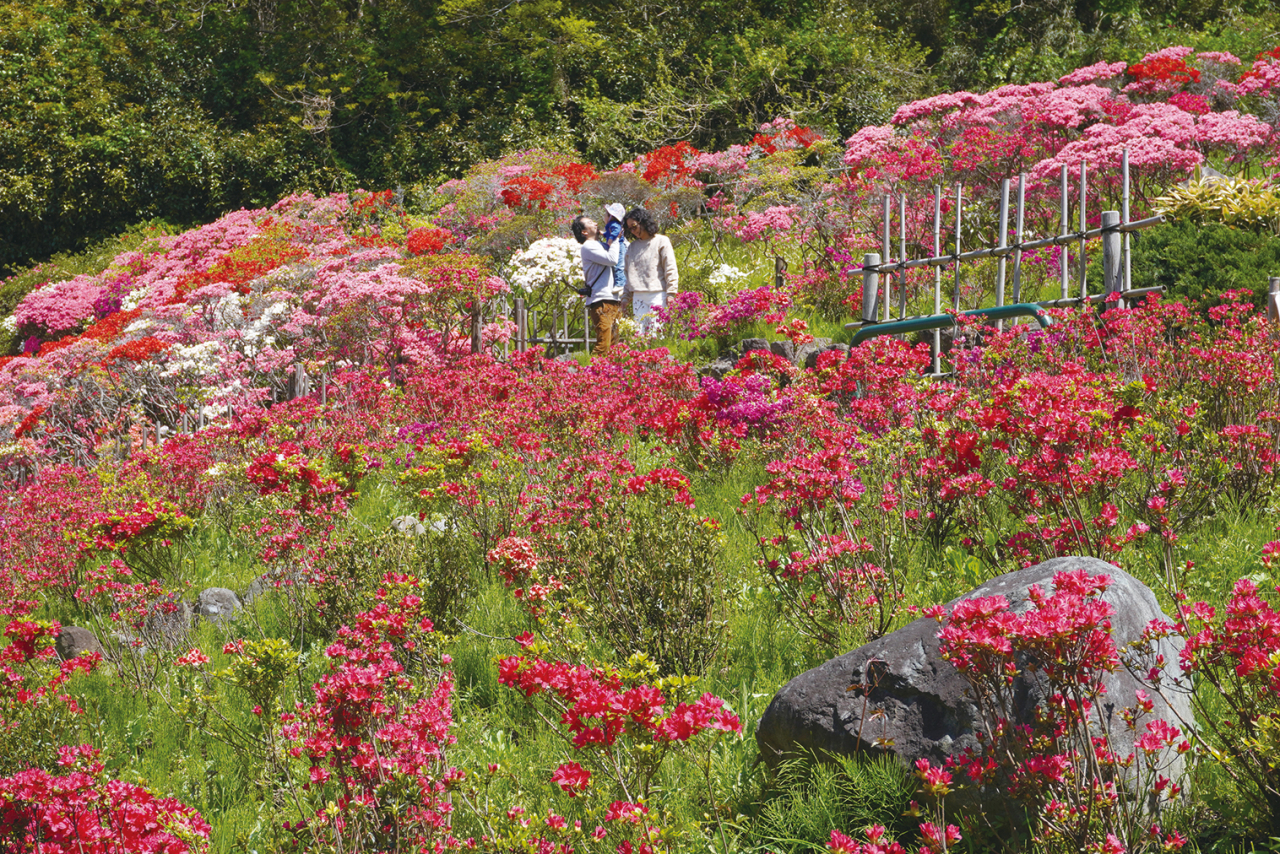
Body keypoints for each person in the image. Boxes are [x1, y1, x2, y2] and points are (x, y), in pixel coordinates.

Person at [570, 214, 622, 356]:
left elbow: (621, 252)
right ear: (584, 232)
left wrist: (611, 236)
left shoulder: (600, 244)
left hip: (613, 298)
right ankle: (590, 375)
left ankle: (608, 375)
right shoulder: (588, 246)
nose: (594, 223)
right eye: (589, 222)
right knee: (603, 345)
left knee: (614, 345)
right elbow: (612, 259)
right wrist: (615, 239)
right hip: (601, 301)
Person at [622, 207, 678, 336]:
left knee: (656, 333)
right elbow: (628, 275)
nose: (633, 231)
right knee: (638, 334)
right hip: (637, 295)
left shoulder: (661, 241)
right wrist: (625, 298)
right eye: (629, 228)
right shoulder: (632, 247)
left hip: (657, 294)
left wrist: (671, 293)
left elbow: (670, 268)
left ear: (643, 222)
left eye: (634, 226)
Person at [602, 202, 628, 297]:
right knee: (617, 266)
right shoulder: (611, 225)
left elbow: (616, 232)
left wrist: (610, 239)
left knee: (619, 265)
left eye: (606, 214)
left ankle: (621, 284)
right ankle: (619, 284)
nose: (604, 216)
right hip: (617, 246)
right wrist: (603, 234)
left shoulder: (614, 224)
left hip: (619, 246)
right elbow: (609, 233)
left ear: (611, 216)